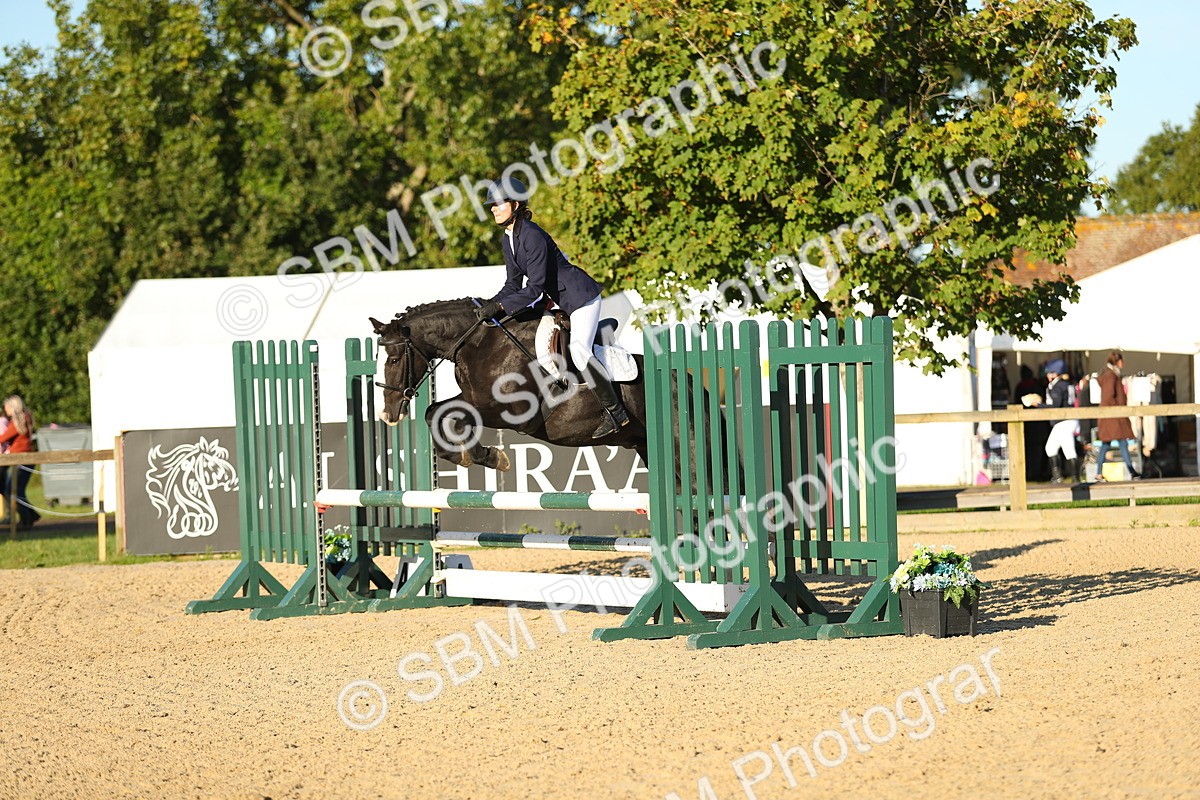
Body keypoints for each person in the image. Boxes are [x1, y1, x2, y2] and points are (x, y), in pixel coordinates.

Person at [473, 177, 630, 438]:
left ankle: (616, 412)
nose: (493, 208)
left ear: (515, 204)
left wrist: (501, 306)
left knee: (579, 351)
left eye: (498, 204)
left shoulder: (532, 235)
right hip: (557, 300)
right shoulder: (509, 238)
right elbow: (513, 284)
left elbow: (534, 288)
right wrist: (491, 305)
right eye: (491, 205)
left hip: (580, 298)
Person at [1030, 360, 1079, 483]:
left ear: (1054, 374)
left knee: (1057, 448)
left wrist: (1039, 405)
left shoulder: (1057, 386)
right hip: (1070, 420)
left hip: (1063, 421)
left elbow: (1055, 406)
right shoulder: (1068, 384)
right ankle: (1067, 477)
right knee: (1054, 448)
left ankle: (1067, 477)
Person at [1094, 350, 1139, 482]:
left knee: (1110, 443)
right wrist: (1118, 409)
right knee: (1117, 442)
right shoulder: (1110, 376)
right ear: (1118, 361)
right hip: (1113, 416)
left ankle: (1100, 473)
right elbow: (1108, 396)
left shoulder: (1109, 374)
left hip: (1111, 416)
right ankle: (1131, 471)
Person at [0, 395, 39, 528]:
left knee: (13, 490)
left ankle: (26, 519)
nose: (6, 410)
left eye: (7, 407)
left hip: (21, 459)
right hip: (24, 458)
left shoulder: (18, 421)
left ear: (12, 407)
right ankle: (30, 515)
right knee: (16, 490)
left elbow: (3, 437)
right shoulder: (25, 419)